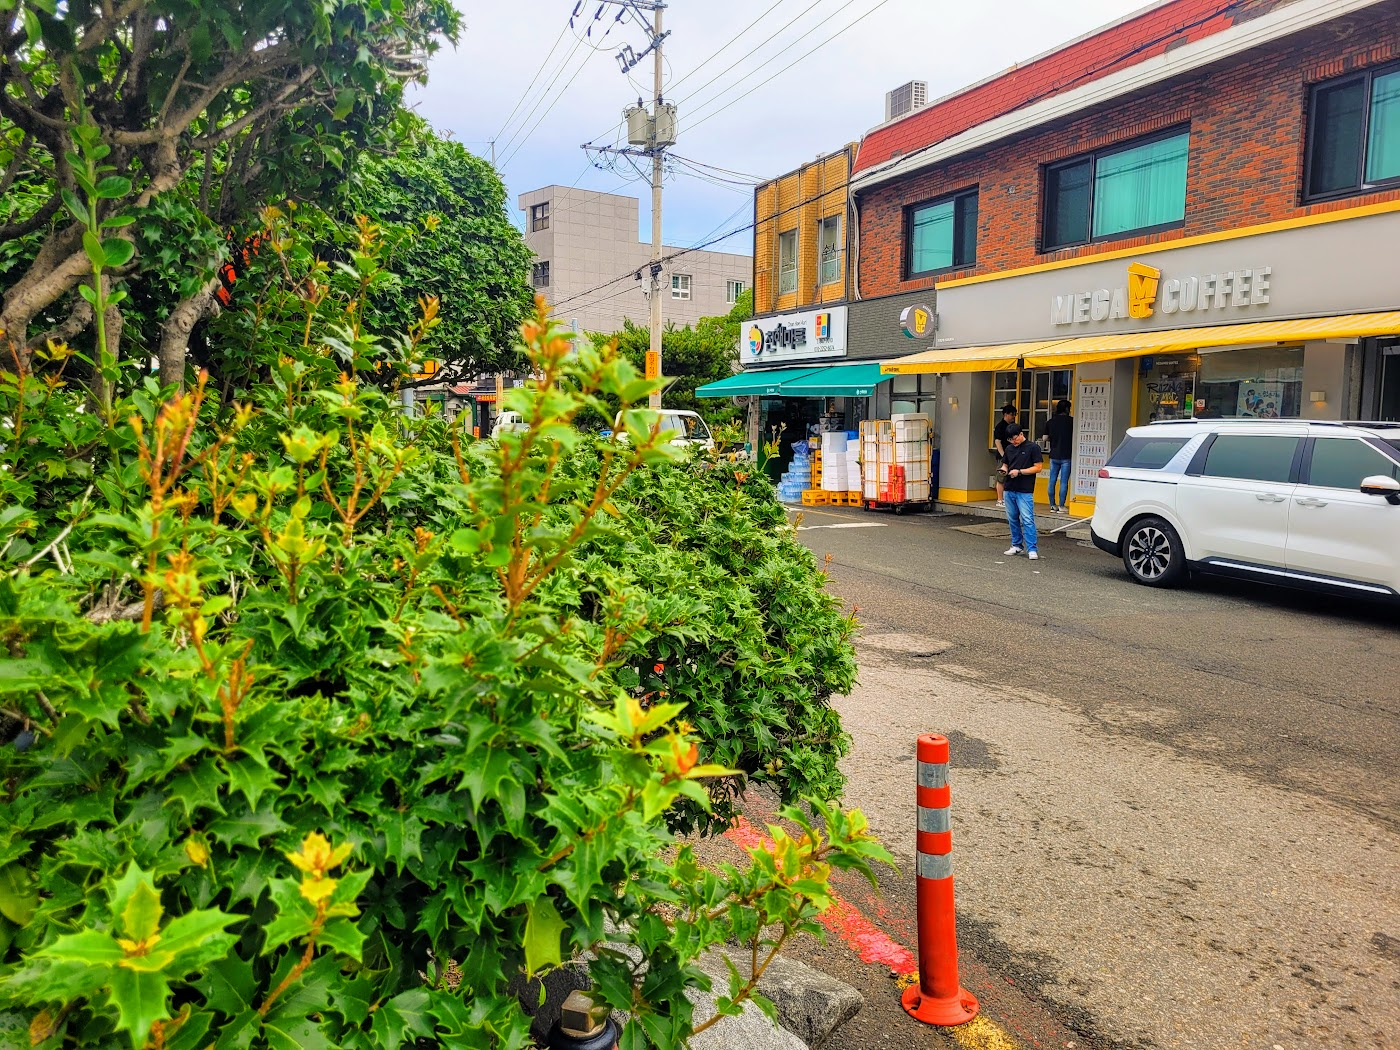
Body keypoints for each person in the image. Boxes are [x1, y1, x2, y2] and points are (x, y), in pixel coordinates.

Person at [999, 424, 1043, 561]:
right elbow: (1005, 464)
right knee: (1012, 519)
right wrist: (1004, 470)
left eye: (1015, 439)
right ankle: (1016, 545)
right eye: (1011, 440)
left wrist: (1019, 472)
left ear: (1021, 434)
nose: (1013, 442)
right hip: (1009, 487)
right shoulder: (1009, 449)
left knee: (1027, 519)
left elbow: (1038, 467)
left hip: (1025, 489)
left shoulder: (1033, 448)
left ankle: (1032, 548)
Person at [1041, 399, 1073, 514]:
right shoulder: (1071, 421)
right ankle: (1061, 506)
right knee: (1064, 481)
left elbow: (1044, 438)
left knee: (1052, 480)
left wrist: (1052, 438)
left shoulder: (1050, 422)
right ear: (1067, 409)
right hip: (1066, 455)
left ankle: (1052, 505)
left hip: (1054, 455)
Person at [992, 404, 1016, 509]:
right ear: (1006, 414)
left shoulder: (1013, 426)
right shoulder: (1000, 426)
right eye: (1012, 414)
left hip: (1013, 455)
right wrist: (1003, 455)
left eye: (1015, 414)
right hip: (1003, 456)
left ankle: (1007, 499)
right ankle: (1000, 499)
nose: (1013, 417)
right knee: (1001, 477)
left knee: (1010, 477)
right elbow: (997, 442)